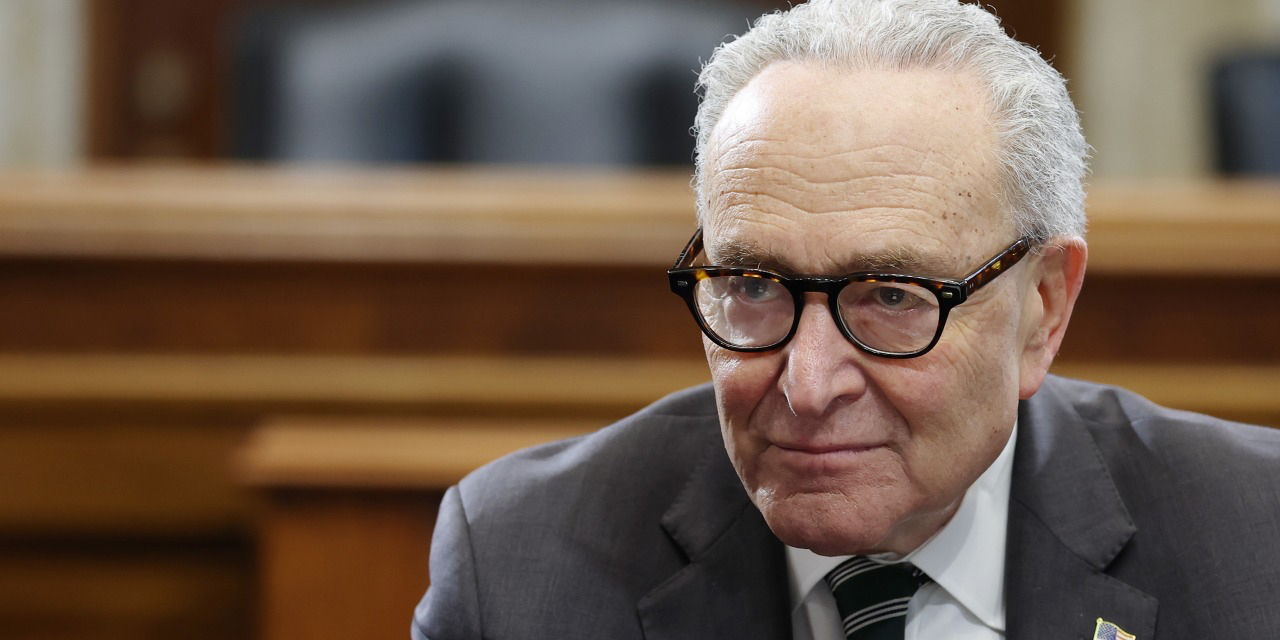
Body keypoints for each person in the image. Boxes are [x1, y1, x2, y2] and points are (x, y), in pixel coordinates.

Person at [413, 0, 1280, 638]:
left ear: (1043, 307)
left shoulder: (1256, 544)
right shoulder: (520, 564)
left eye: (893, 297)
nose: (809, 384)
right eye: (754, 286)